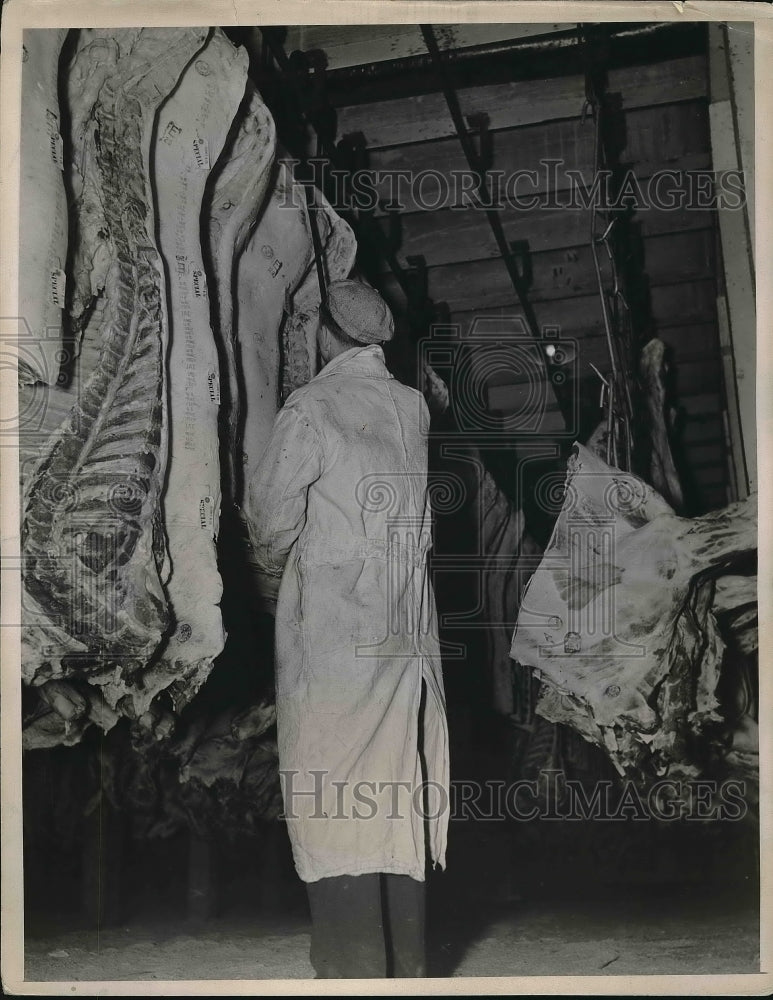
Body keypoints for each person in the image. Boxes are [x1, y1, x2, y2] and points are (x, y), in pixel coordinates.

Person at [244, 278, 449, 979]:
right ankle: (409, 965)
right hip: (405, 618)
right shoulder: (412, 406)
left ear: (323, 334)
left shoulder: (310, 407)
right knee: (397, 779)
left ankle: (351, 965)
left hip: (334, 616)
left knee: (328, 780)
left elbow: (270, 520)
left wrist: (272, 587)